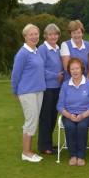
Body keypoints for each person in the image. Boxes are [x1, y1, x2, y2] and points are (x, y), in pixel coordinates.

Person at [11, 24, 46, 162]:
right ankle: (26, 152)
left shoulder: (36, 51)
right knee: (31, 121)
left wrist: (56, 75)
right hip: (27, 92)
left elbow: (41, 71)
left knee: (33, 120)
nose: (34, 36)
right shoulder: (22, 53)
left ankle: (29, 151)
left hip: (38, 91)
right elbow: (15, 75)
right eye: (31, 34)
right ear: (25, 36)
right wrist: (15, 92)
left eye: (36, 34)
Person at [57, 57, 89, 166]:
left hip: (86, 114)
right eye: (72, 69)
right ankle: (73, 155)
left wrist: (83, 115)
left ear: (82, 69)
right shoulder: (65, 85)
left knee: (82, 127)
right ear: (69, 70)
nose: (75, 71)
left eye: (77, 68)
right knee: (70, 127)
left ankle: (81, 156)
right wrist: (68, 115)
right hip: (69, 115)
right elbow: (60, 105)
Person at [38, 24, 64, 155]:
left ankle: (48, 143)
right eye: (50, 34)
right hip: (47, 88)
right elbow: (40, 69)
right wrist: (55, 76)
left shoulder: (58, 49)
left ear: (58, 35)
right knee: (46, 118)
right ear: (45, 36)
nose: (53, 36)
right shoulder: (42, 49)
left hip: (57, 88)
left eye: (55, 34)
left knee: (53, 117)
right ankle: (44, 146)